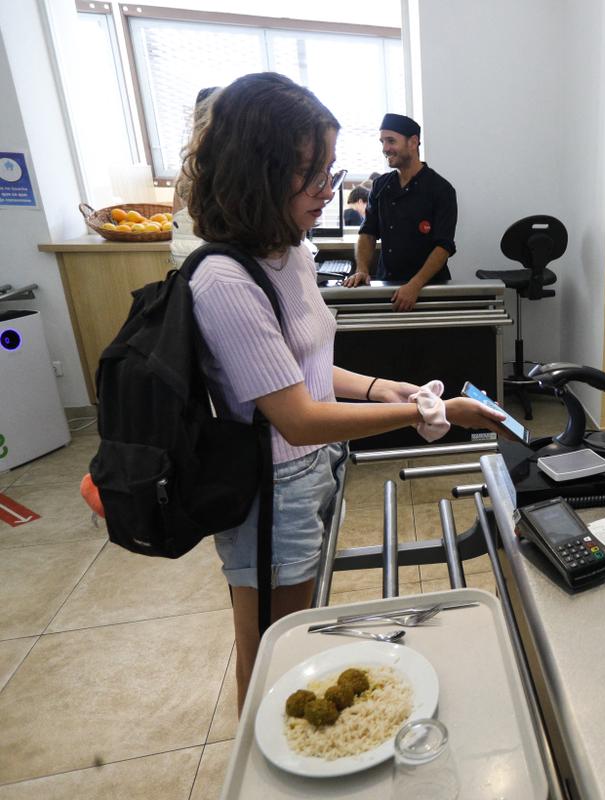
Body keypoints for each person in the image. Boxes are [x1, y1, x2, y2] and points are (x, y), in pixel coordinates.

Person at [180, 72, 508, 709]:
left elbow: (304, 369)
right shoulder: (224, 281)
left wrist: (386, 388)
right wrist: (423, 411)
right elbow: (296, 416)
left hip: (314, 472)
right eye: (313, 173)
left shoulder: (290, 253)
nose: (329, 190)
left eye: (331, 170)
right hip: (270, 491)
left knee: (297, 630)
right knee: (267, 645)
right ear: (260, 171)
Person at [341, 114, 457, 312]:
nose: (385, 148)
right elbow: (368, 232)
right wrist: (362, 269)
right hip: (388, 285)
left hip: (429, 290)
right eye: (382, 142)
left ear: (413, 142)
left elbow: (443, 246)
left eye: (391, 141)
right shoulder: (380, 185)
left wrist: (415, 285)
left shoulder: (441, 189)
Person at [169, 86, 219, 267]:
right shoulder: (225, 165)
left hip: (186, 261)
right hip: (212, 261)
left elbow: (176, 217)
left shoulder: (189, 165)